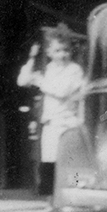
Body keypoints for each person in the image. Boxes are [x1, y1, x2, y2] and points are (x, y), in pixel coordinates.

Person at [18, 23, 86, 197]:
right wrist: (32, 58)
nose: (62, 55)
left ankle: (76, 197)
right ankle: (53, 202)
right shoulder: (47, 69)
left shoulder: (74, 70)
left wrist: (41, 82)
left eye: (65, 50)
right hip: (51, 125)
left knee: (72, 165)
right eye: (57, 51)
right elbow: (22, 80)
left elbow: (62, 91)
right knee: (50, 165)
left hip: (68, 124)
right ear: (49, 53)